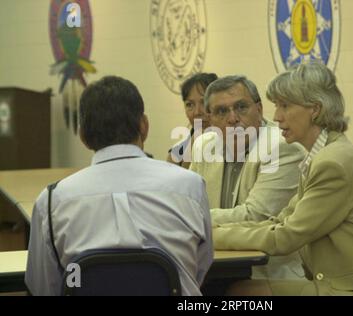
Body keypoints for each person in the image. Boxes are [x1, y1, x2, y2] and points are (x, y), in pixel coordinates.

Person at [213, 61, 353, 296]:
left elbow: (285, 237)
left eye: (285, 106)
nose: (277, 116)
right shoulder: (323, 154)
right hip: (346, 283)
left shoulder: (333, 163)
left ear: (315, 109)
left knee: (243, 293)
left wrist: (211, 235)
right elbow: (279, 220)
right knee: (240, 290)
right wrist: (214, 228)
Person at [25, 76, 213, 296]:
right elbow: (199, 268)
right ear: (144, 126)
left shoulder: (51, 202)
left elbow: (44, 288)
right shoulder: (190, 186)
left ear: (83, 136)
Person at [190, 75, 305, 280]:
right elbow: (188, 203)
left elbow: (256, 216)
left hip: (268, 273)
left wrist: (191, 219)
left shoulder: (281, 147)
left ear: (259, 110)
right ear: (210, 119)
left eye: (241, 107)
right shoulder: (204, 145)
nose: (233, 118)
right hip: (213, 264)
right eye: (221, 111)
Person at [167, 72, 218, 169]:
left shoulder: (235, 145)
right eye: (189, 105)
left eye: (203, 102)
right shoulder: (177, 153)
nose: (197, 112)